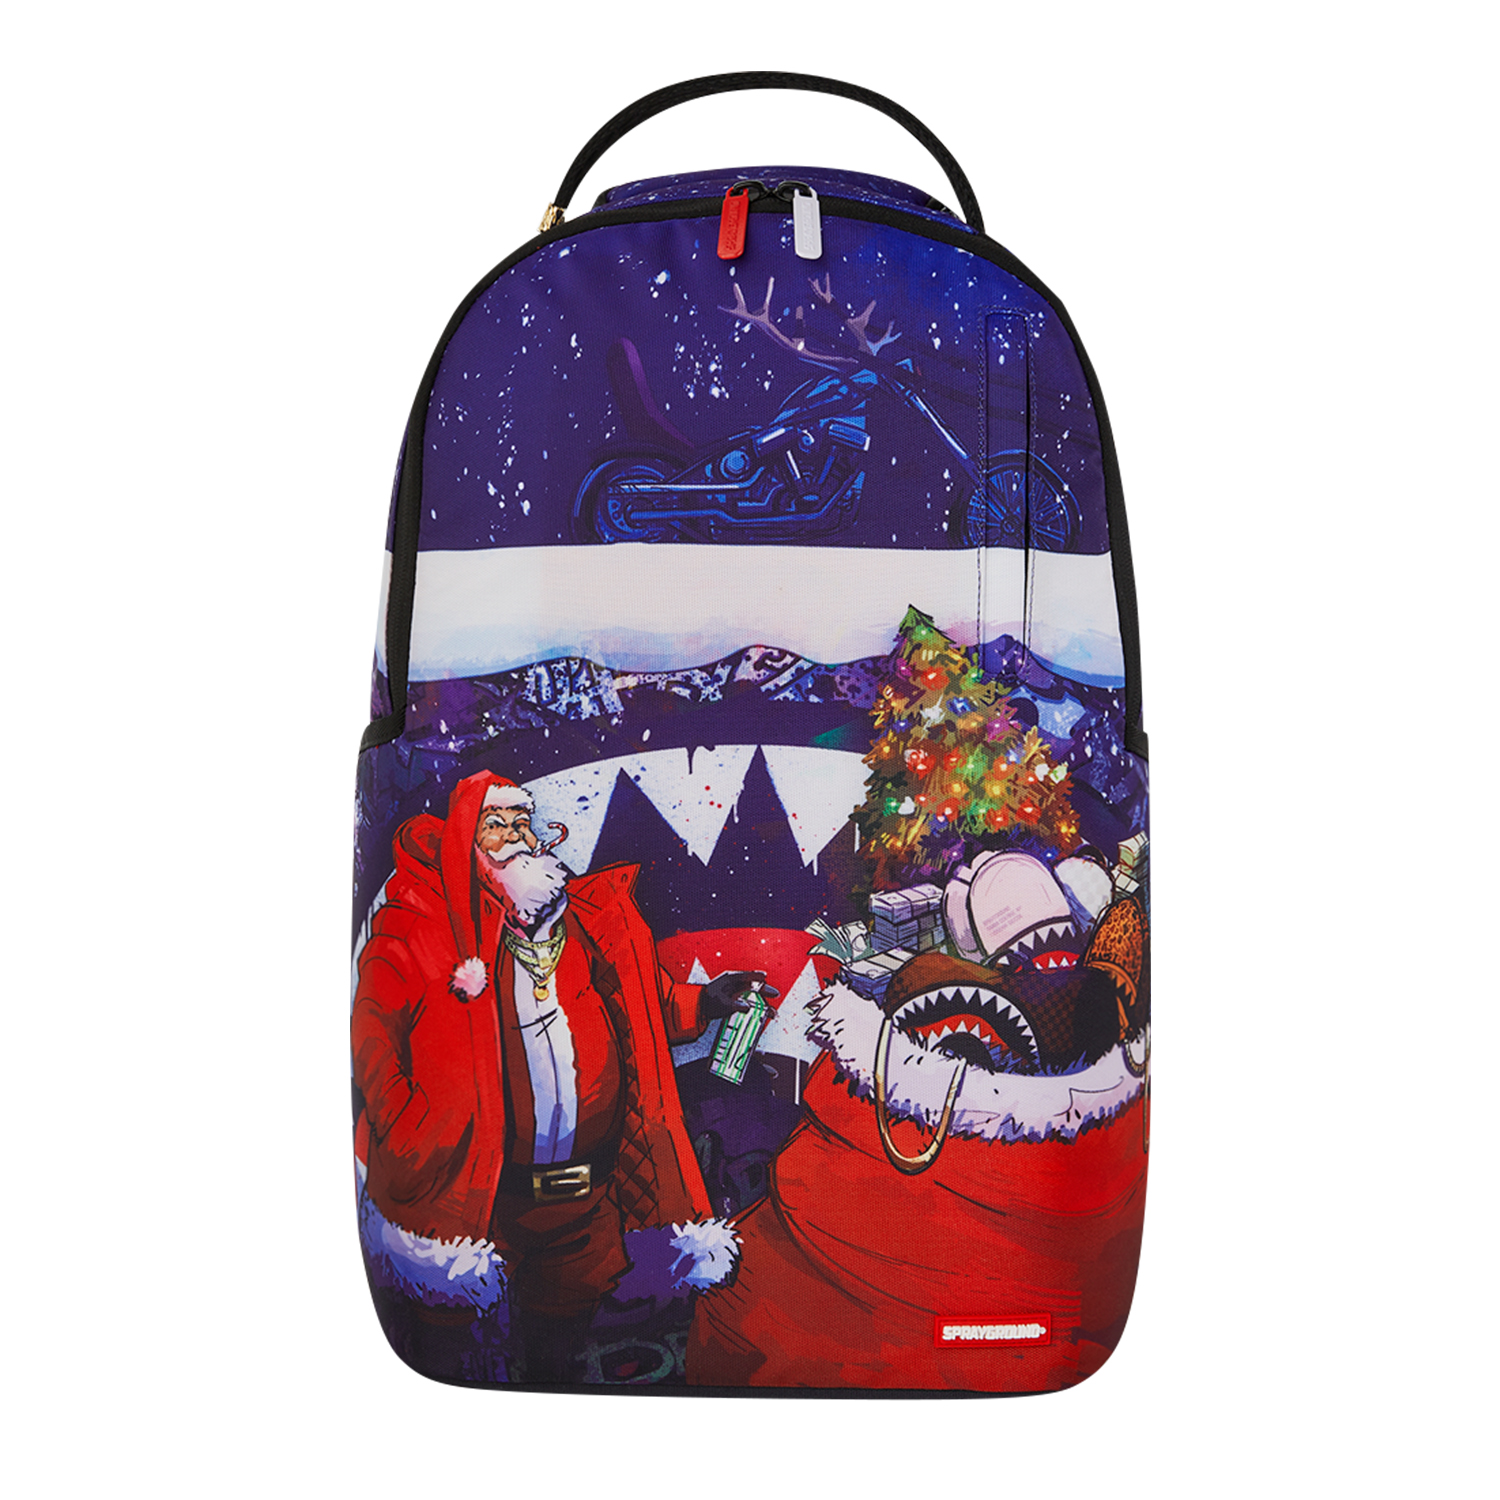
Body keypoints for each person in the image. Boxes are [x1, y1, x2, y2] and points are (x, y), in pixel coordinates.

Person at [352, 769, 770, 1382]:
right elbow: (371, 1036)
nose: (516, 838)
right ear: (466, 842)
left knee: (560, 1355)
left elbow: (637, 1007)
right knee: (450, 1352)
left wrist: (704, 1002)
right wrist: (411, 1134)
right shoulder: (421, 926)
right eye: (496, 826)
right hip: (480, 1200)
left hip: (585, 1205)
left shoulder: (585, 925)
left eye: (522, 823)